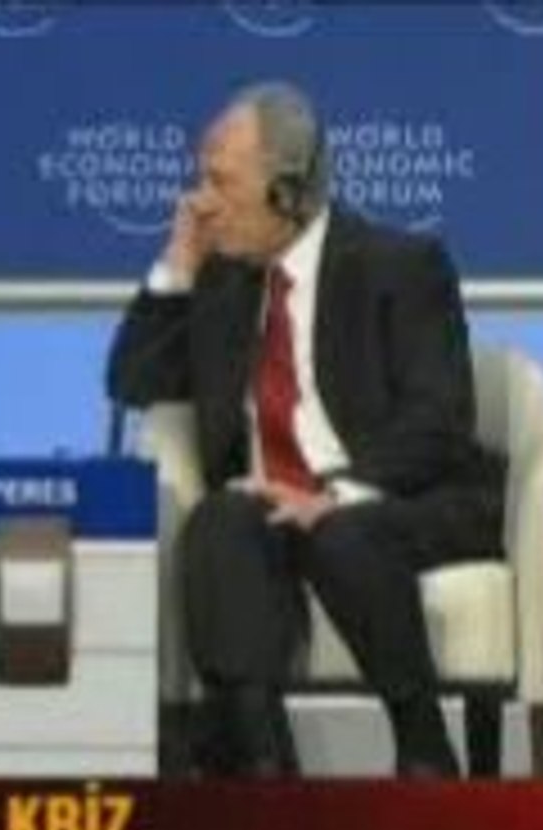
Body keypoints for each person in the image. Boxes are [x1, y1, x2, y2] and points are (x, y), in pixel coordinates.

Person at [108, 82, 504, 780]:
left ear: (287, 192)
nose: (200, 202)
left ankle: (423, 749)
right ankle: (265, 768)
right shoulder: (222, 282)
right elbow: (133, 382)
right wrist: (178, 263)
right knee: (219, 521)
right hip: (268, 512)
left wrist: (335, 494)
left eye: (221, 182)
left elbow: (439, 419)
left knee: (341, 532)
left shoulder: (399, 266)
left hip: (397, 501)